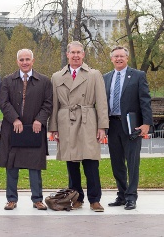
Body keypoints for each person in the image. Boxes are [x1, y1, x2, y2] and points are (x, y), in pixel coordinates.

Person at [48, 41, 109, 212]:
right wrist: (53, 128)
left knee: (91, 162)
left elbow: (102, 103)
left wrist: (102, 126)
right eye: (72, 52)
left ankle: (95, 200)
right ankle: (76, 197)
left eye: (79, 52)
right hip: (66, 121)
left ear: (83, 54)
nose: (75, 55)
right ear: (67, 54)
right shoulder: (57, 76)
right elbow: (54, 104)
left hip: (88, 120)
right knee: (71, 163)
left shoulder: (94, 74)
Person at [0, 49, 53, 210]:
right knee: (12, 166)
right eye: (21, 59)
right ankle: (11, 199)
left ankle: (37, 199)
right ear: (17, 62)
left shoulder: (44, 81)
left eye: (27, 59)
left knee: (35, 166)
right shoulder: (8, 80)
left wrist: (39, 120)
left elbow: (48, 103)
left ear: (33, 61)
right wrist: (14, 119)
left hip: (34, 130)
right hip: (13, 129)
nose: (25, 62)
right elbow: (3, 102)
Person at [103, 46, 153, 210]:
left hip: (132, 125)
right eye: (116, 56)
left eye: (122, 56)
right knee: (117, 163)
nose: (118, 59)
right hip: (112, 125)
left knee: (132, 162)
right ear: (111, 59)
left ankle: (132, 197)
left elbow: (145, 100)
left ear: (127, 58)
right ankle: (122, 194)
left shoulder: (138, 76)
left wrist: (147, 123)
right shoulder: (106, 78)